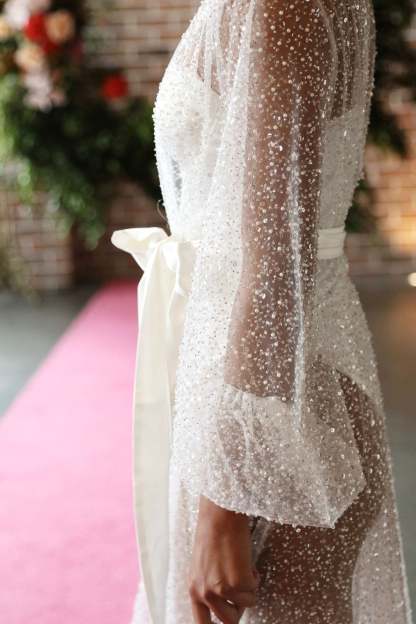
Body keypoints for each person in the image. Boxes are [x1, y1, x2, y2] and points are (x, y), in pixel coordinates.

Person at [112, 1, 413, 623]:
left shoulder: (283, 7)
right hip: (256, 385)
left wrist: (224, 501)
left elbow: (276, 267)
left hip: (282, 409)